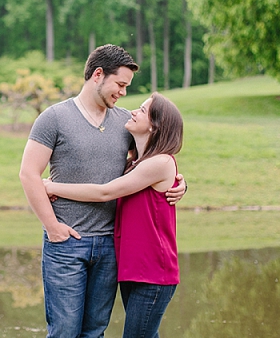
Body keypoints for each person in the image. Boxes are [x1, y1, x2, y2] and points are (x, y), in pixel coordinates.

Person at [18, 44, 186, 338]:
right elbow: (28, 174)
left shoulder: (125, 123)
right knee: (65, 332)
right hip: (67, 244)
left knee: (95, 332)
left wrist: (181, 182)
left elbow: (156, 159)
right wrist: (52, 227)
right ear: (98, 75)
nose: (123, 92)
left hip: (110, 247)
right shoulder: (54, 118)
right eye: (120, 84)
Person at [43, 92, 183, 337]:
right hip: (134, 269)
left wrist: (52, 187)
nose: (133, 111)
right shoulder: (136, 164)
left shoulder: (159, 163)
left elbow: (105, 192)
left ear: (155, 125)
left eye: (142, 110)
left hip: (153, 273)